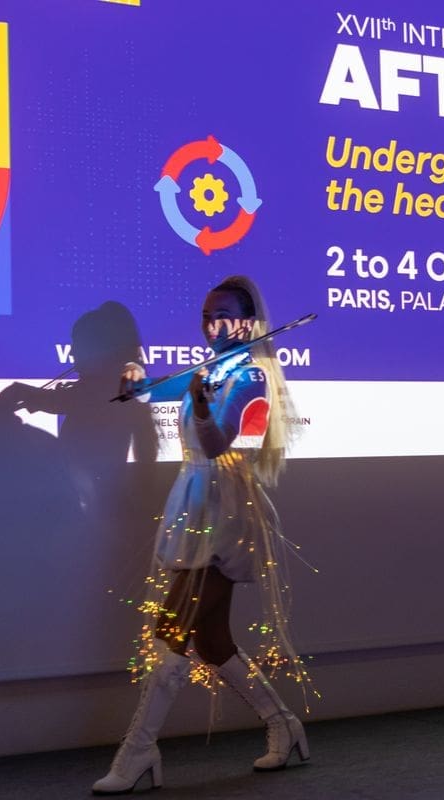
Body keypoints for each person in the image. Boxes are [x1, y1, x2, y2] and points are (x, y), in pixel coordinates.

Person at [93, 276, 309, 795]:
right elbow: (153, 390)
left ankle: (139, 750)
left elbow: (218, 444)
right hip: (195, 505)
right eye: (207, 316)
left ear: (248, 323)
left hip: (225, 512)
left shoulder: (252, 377)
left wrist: (204, 405)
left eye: (224, 315)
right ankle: (284, 725)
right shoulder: (209, 370)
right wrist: (137, 378)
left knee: (171, 629)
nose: (213, 326)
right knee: (212, 642)